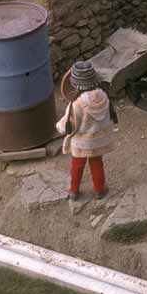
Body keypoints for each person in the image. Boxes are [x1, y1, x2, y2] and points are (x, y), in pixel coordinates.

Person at [56, 60, 118, 201]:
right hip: (98, 141)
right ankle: (99, 190)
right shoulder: (104, 97)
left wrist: (59, 126)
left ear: (75, 84)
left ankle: (74, 191)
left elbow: (67, 126)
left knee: (77, 166)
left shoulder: (76, 104)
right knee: (97, 164)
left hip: (81, 144)